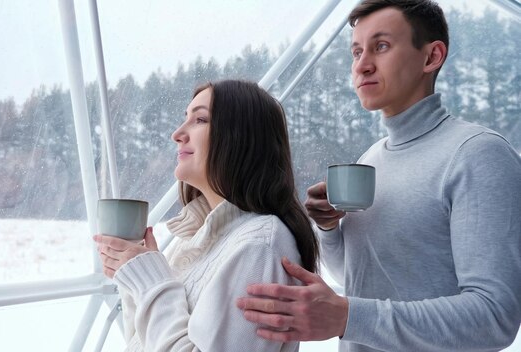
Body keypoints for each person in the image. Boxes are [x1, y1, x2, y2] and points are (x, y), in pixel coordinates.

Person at [236, 1, 521, 351]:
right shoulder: (370, 159)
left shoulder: (477, 154)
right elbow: (357, 279)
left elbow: (495, 317)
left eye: (381, 46)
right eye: (356, 51)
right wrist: (329, 229)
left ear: (432, 57)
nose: (362, 65)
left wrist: (346, 318)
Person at [93, 79, 320, 351]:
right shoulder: (201, 238)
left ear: (242, 138)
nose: (177, 133)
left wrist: (152, 281)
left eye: (199, 119)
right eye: (184, 118)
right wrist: (134, 278)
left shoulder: (259, 246)